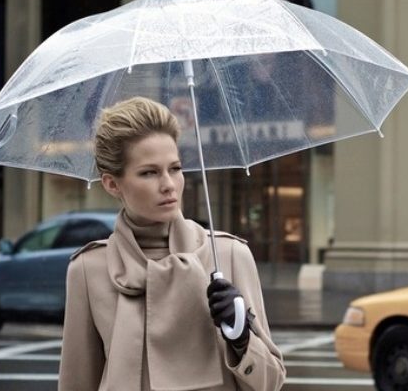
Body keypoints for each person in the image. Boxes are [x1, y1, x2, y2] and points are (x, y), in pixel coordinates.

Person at [58, 97, 285, 391]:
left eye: (175, 168)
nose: (168, 184)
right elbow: (77, 383)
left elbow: (272, 383)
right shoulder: (88, 270)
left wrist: (241, 337)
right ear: (112, 184)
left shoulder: (229, 255)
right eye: (149, 172)